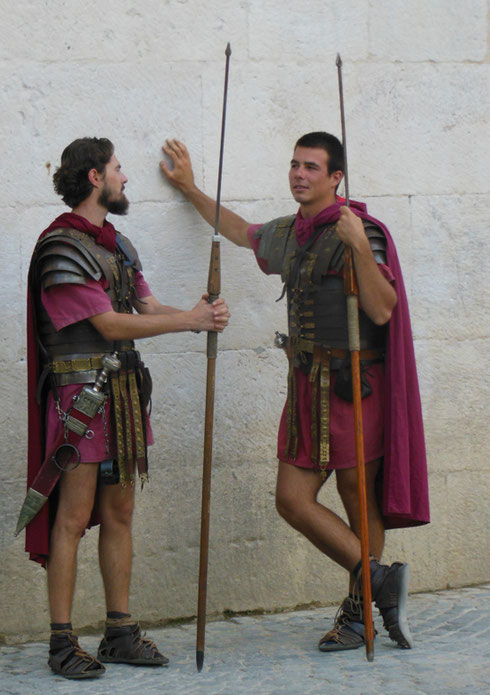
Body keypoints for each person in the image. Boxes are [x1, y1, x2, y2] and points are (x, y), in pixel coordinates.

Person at [160, 132, 429, 653]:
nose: (299, 174)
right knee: (292, 499)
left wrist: (356, 245)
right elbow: (239, 232)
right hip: (307, 386)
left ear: (335, 178)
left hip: (355, 387)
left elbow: (382, 309)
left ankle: (357, 615)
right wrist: (191, 189)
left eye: (312, 167)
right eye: (294, 165)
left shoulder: (361, 232)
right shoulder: (292, 233)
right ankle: (381, 582)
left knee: (358, 500)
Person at [25, 137, 230, 679]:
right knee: (71, 518)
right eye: (118, 168)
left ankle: (118, 632)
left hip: (122, 397)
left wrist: (196, 310)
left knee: (120, 513)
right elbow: (109, 325)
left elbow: (145, 306)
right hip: (81, 401)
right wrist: (188, 323)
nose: (125, 177)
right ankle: (62, 643)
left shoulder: (118, 245)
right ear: (95, 177)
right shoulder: (61, 248)